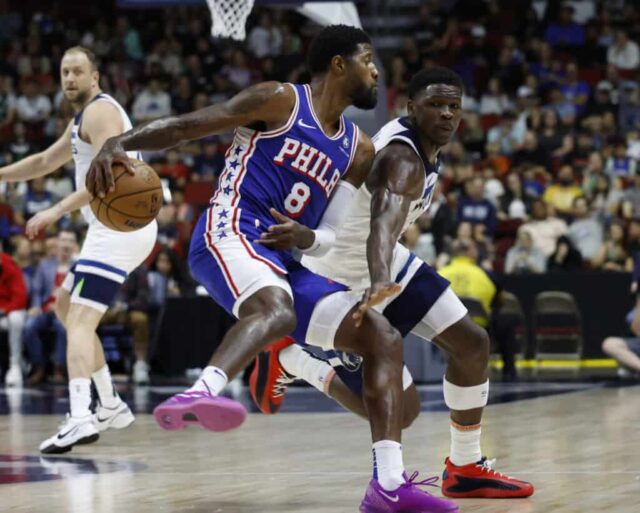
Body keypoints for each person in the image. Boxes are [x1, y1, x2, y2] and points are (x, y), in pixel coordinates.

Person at [87, 26, 455, 513]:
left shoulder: (359, 149)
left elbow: (328, 231)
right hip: (230, 228)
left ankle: (386, 486)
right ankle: (198, 393)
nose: (376, 70)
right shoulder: (279, 101)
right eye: (368, 59)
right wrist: (121, 140)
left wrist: (308, 238)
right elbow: (186, 126)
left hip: (283, 260)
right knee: (278, 309)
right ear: (339, 65)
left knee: (382, 337)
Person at [249, 67, 533, 499]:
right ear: (411, 108)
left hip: (385, 263)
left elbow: (384, 232)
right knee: (400, 414)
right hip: (341, 275)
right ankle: (294, 361)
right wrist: (380, 279)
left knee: (471, 343)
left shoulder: (425, 147)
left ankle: (465, 466)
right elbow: (383, 225)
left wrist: (385, 271)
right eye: (435, 105)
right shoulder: (402, 160)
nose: (446, 114)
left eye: (453, 106)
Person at [0, 46, 157, 453]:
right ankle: (109, 403)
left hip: (118, 228)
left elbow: (109, 177)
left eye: (77, 71)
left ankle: (81, 416)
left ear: (95, 77)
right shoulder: (81, 118)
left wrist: (54, 209)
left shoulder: (101, 113)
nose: (69, 78)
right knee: (66, 308)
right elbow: (42, 162)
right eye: (64, 71)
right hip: (112, 228)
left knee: (82, 320)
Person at [23, 229, 77, 385]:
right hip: (46, 309)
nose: (66, 244)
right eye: (63, 240)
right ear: (57, 244)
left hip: (66, 311)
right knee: (29, 326)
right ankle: (39, 366)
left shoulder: (78, 267)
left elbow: (80, 293)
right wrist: (35, 306)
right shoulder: (45, 265)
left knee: (62, 327)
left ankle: (59, 368)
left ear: (74, 245)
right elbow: (37, 291)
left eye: (70, 241)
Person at [0, 250, 27, 386]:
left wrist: (5, 311)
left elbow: (20, 297)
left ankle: (14, 365)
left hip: (9, 311)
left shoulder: (11, 265)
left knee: (15, 319)